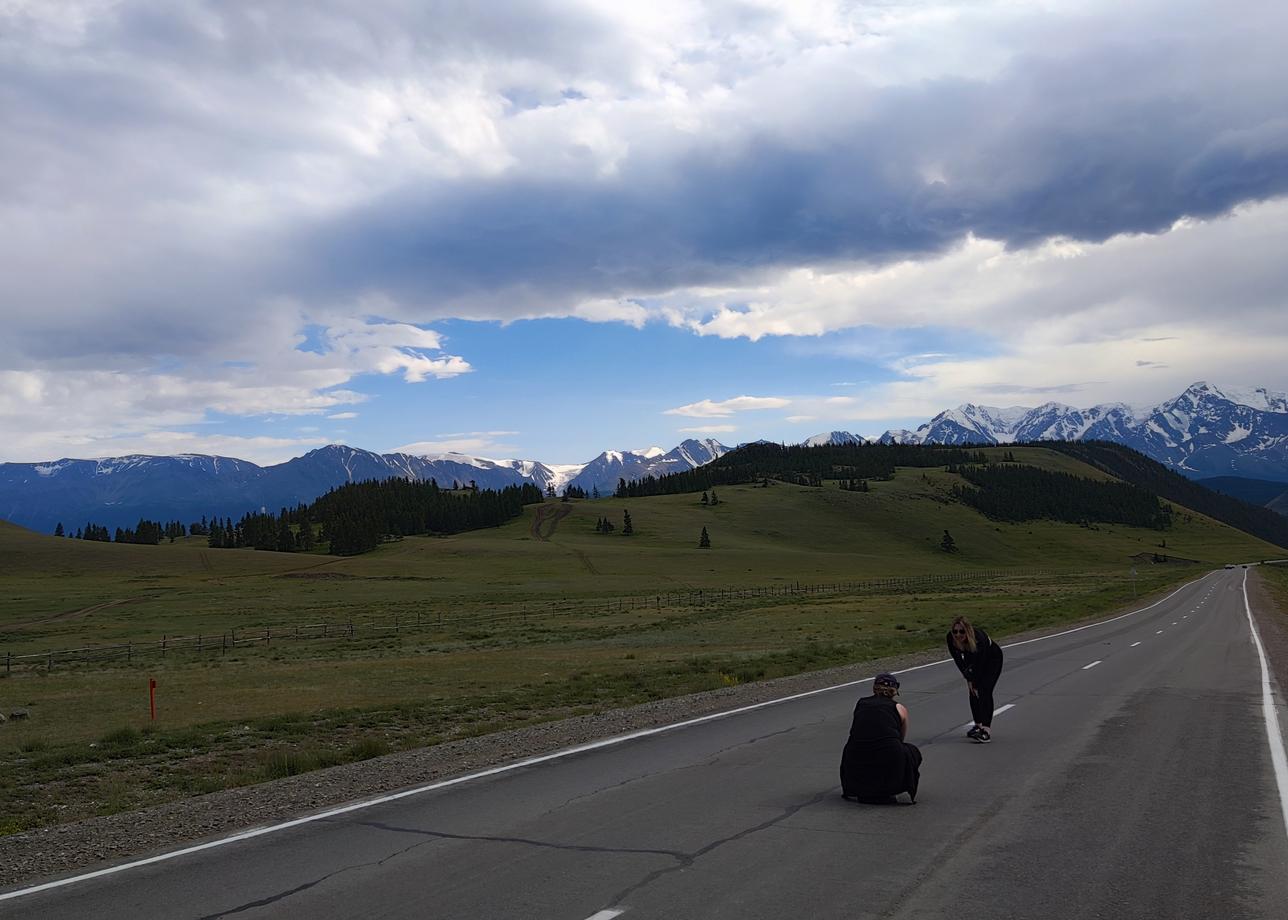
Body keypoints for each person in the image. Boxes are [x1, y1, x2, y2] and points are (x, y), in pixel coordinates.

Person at [839, 672, 922, 804]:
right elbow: (900, 738)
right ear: (894, 691)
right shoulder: (899, 708)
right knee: (910, 751)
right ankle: (893, 786)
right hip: (888, 753)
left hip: (856, 753)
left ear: (874, 688)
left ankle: (858, 786)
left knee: (855, 748)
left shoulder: (861, 703)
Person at [947, 615, 1004, 743]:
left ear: (968, 631)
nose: (958, 634)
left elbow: (981, 664)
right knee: (972, 692)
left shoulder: (979, 638)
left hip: (991, 660)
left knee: (984, 690)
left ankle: (986, 731)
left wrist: (974, 681)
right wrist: (968, 678)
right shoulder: (950, 638)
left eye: (962, 631)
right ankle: (977, 725)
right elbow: (959, 661)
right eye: (955, 631)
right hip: (971, 658)